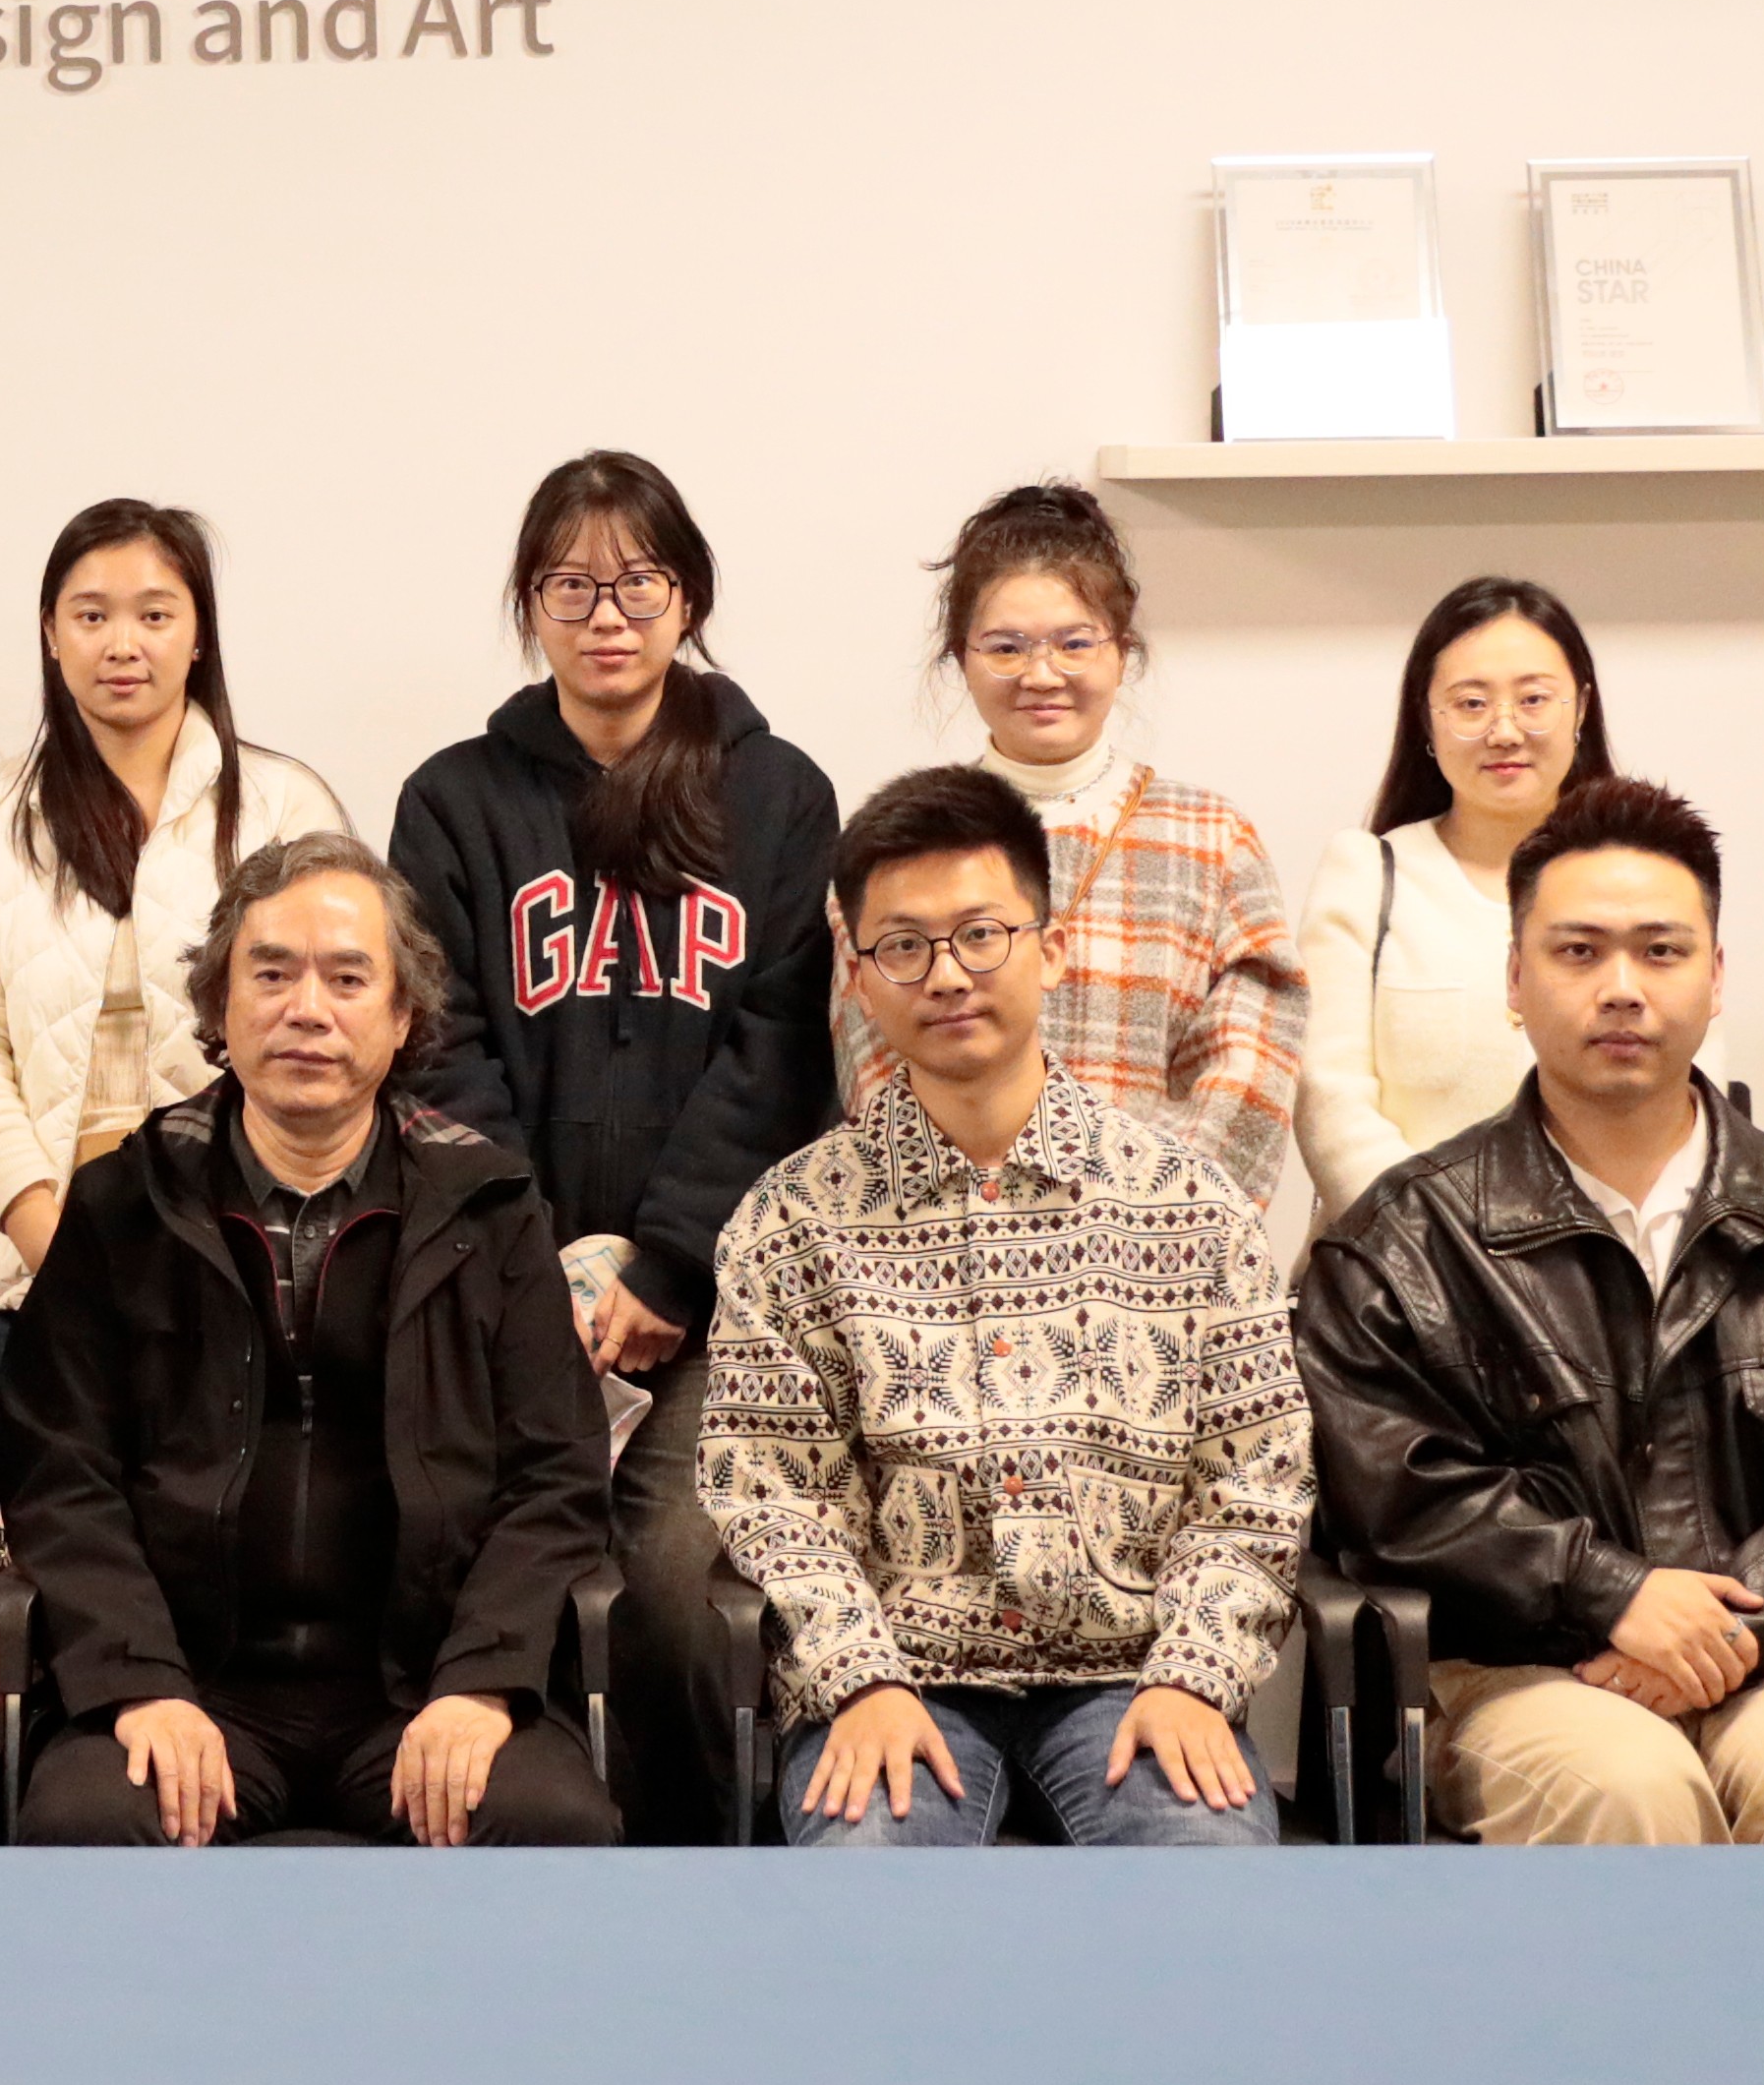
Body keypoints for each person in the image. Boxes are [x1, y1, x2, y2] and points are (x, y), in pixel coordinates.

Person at [1296, 777, 1764, 1845]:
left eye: (1661, 952)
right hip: (1525, 1671)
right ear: (1514, 980)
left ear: (1716, 976)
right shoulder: (1404, 1241)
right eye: (1578, 952)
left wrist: (1710, 1627)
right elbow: (1397, 1498)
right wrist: (1611, 1593)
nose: (1621, 989)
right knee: (1623, 1788)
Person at [702, 767, 1306, 1848]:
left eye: (982, 934)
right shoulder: (790, 1222)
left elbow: (1257, 1476)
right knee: (871, 1880)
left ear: (1051, 947)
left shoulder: (1189, 1206)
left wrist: (1194, 1671)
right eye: (904, 946)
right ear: (860, 977)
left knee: (1208, 1880)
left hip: (1134, 1677)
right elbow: (770, 1492)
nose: (948, 975)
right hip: (899, 1680)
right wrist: (857, 1676)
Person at [386, 449, 838, 1842]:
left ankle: (684, 1871)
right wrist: (537, 1260)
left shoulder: (779, 794)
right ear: (528, 603)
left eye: (637, 582)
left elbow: (781, 1051)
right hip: (500, 1291)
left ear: (687, 595)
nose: (606, 615)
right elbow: (437, 1040)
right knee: (441, 1566)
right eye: (569, 585)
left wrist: (664, 1267)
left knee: (672, 1585)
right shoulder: (455, 800)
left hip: (711, 1303)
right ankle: (499, 1851)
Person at [3, 835, 618, 1848]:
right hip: (191, 1685)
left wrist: (480, 1681)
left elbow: (556, 1474)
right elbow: (60, 1475)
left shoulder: (490, 1206)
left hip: (421, 1687)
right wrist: (140, 1683)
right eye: (272, 973)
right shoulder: (126, 1202)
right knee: (89, 1827)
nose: (307, 1009)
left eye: (347, 978)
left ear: (402, 1015)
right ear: (219, 1003)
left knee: (549, 1825)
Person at [0, 500, 353, 1392]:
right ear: (50, 633)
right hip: (24, 1281)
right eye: (91, 615)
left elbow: (326, 1034)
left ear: (198, 636)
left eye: (154, 615)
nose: (123, 644)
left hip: (240, 1271)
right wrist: (52, 1247)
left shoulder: (282, 805)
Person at [840, 481, 1304, 1209]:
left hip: (1161, 1245)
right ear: (961, 657)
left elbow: (1250, 1085)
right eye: (1006, 648)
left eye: (1074, 643)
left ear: (1123, 651)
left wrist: (1135, 1224)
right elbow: (872, 1066)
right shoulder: (904, 846)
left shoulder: (1212, 839)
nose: (1041, 674)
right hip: (938, 1248)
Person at [1299, 576, 1621, 1223]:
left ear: (1581, 708)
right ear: (1428, 718)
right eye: (1471, 704)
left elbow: (1685, 1094)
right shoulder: (1367, 875)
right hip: (1402, 1258)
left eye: (1533, 699)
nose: (1504, 730)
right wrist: (1441, 1243)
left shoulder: (1642, 882)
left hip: (1609, 1257)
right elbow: (1329, 1101)